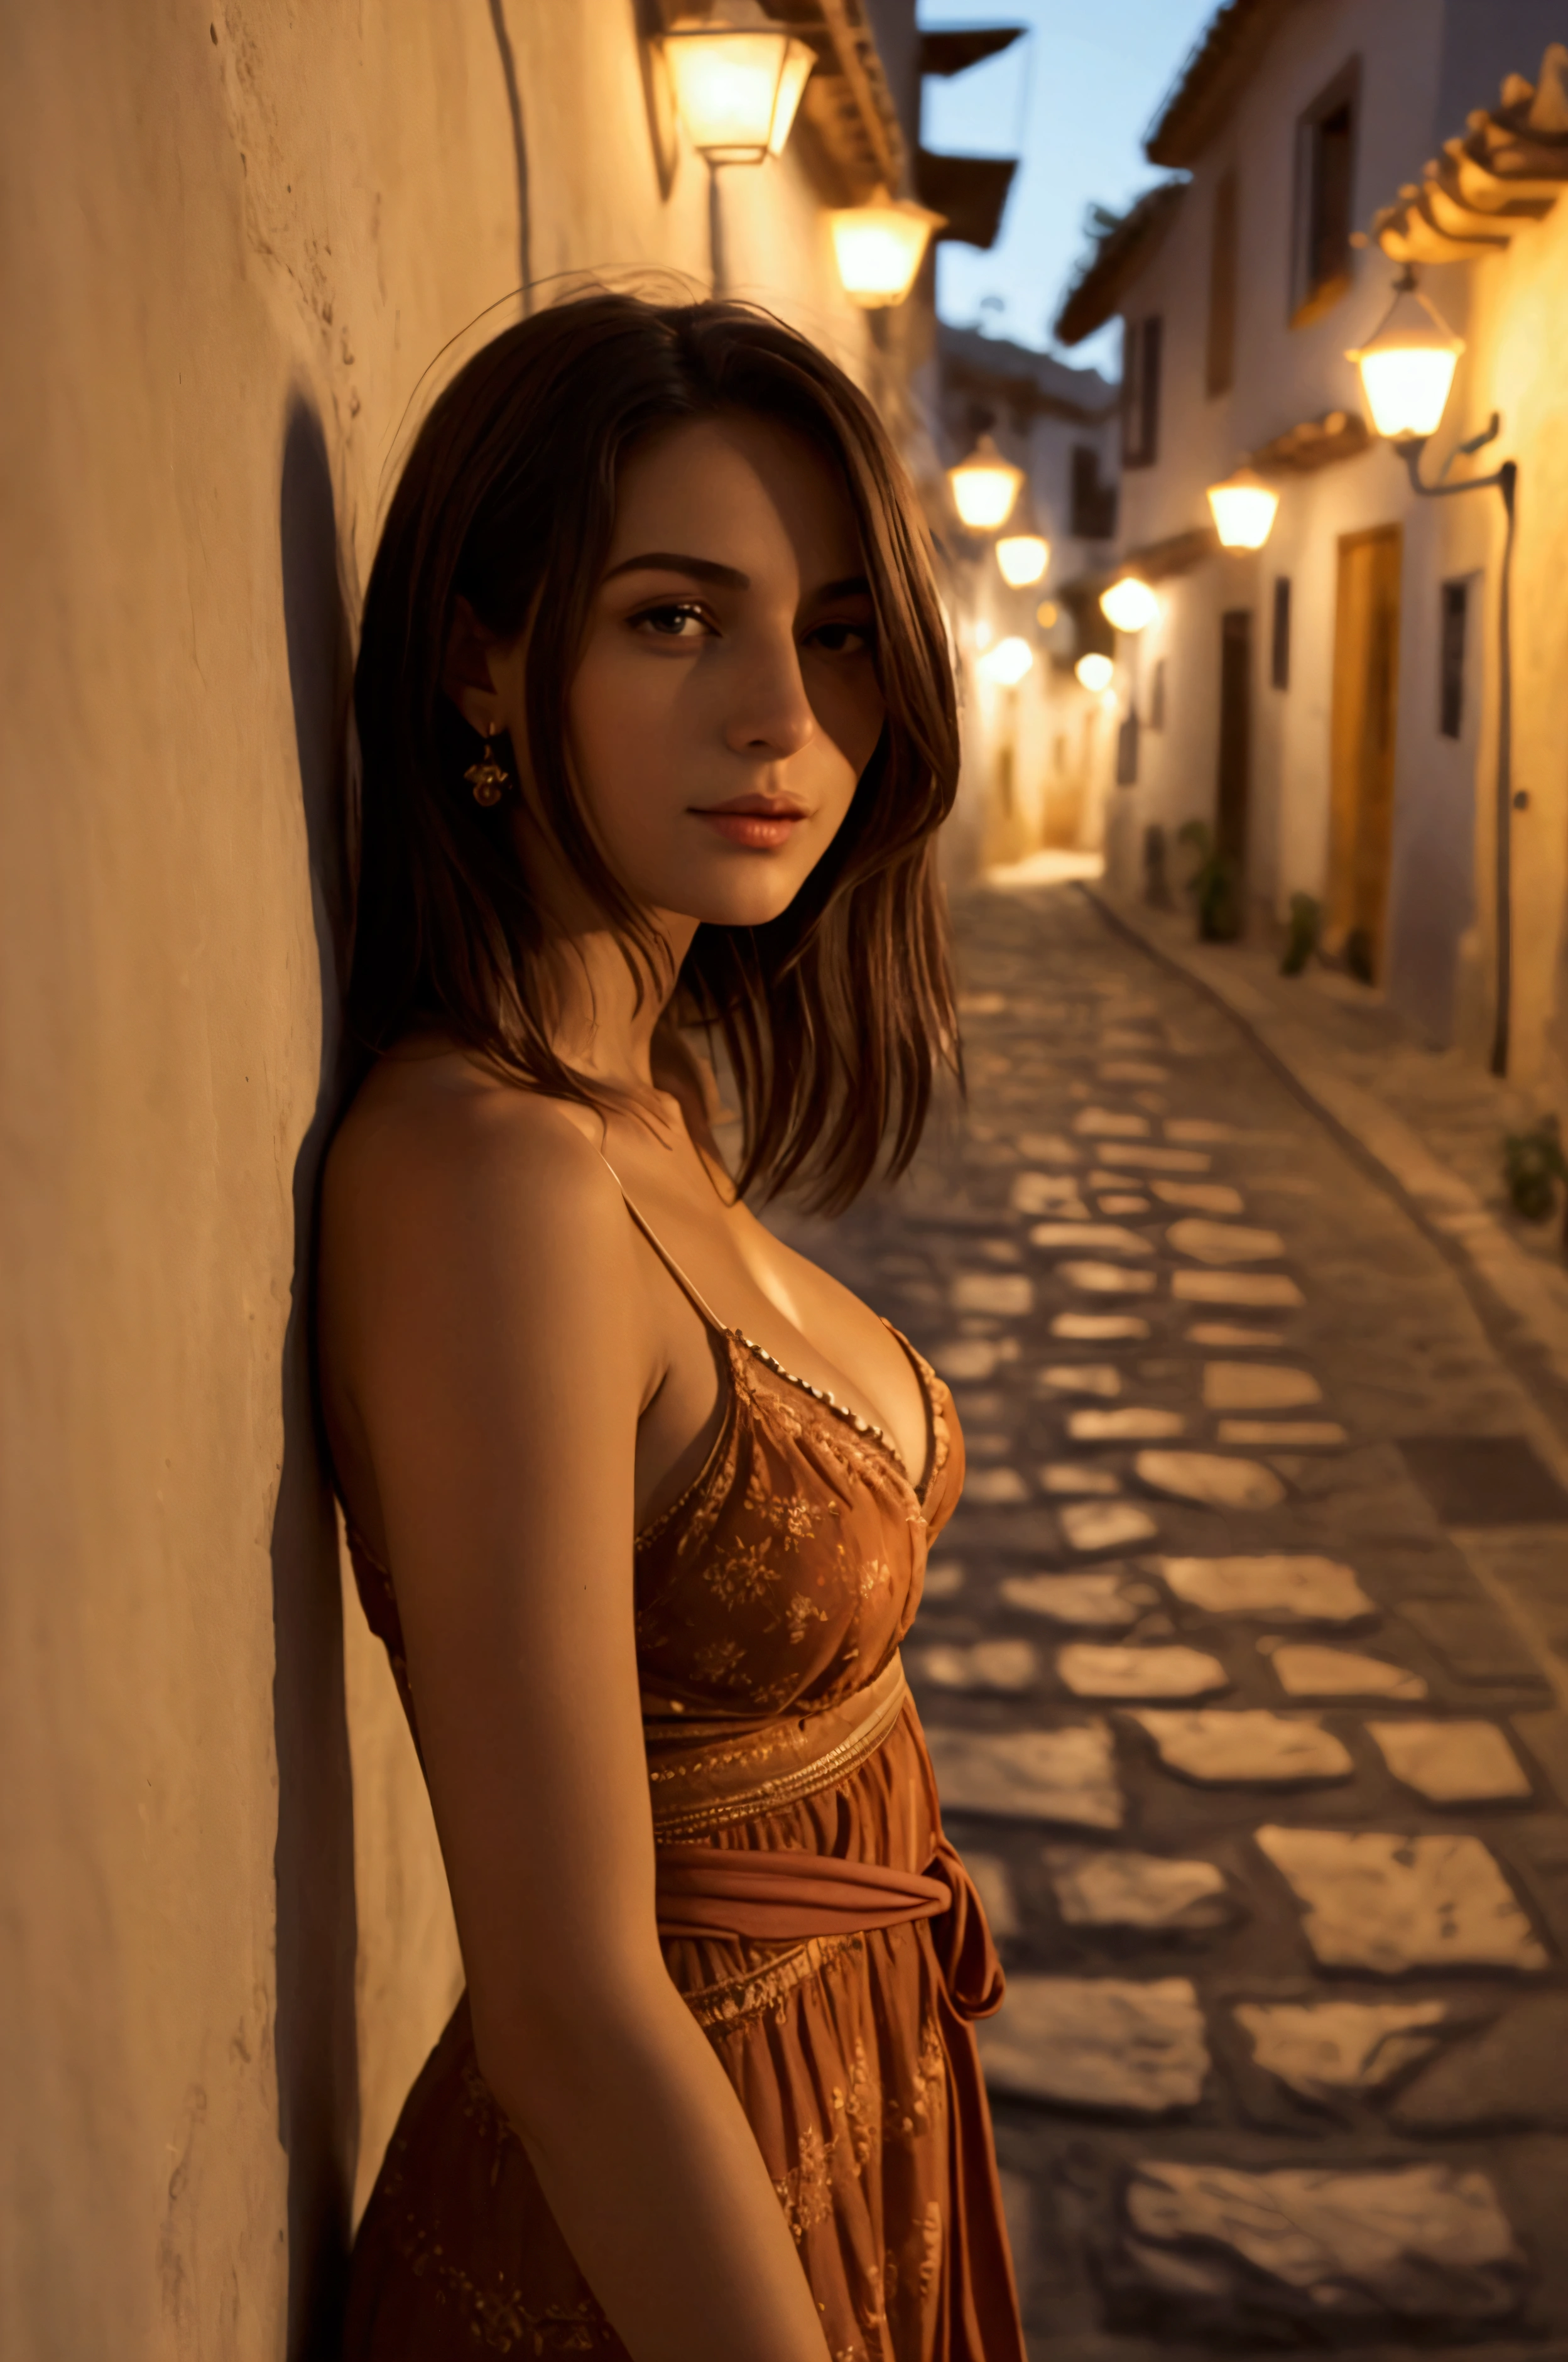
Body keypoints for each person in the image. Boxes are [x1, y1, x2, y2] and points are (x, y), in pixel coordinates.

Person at [318, 290, 1024, 2362]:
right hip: (642, 2247)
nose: (782, 723)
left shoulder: (641, 1103)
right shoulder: (487, 1179)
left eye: (829, 633)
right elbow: (562, 2002)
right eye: (669, 618)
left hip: (846, 2109)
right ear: (479, 650)